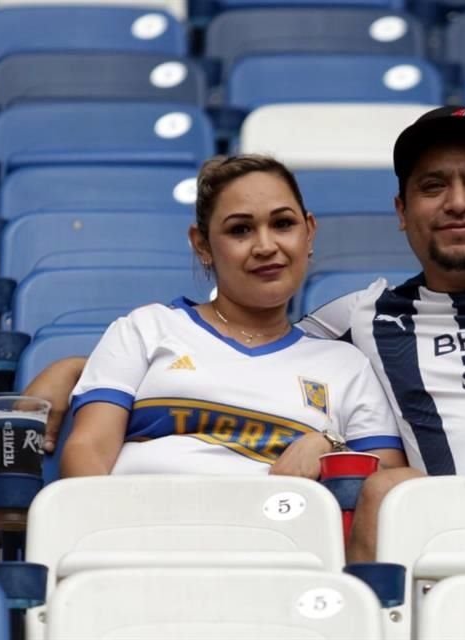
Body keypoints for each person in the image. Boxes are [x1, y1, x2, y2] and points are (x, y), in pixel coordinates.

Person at [27, 107, 465, 560]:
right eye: (432, 186)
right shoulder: (366, 317)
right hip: (461, 541)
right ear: (401, 210)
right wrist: (75, 371)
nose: (456, 202)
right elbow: (242, 348)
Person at [58, 155, 406, 478]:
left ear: (308, 232)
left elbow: (385, 479)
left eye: (283, 224)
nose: (266, 246)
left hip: (280, 540)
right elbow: (88, 449)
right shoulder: (146, 329)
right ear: (203, 245)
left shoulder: (347, 365)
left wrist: (329, 444)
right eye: (240, 230)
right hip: (140, 532)